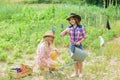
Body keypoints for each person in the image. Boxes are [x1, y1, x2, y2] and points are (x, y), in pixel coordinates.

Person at [60, 13, 86, 78]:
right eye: (70, 20)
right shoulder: (69, 28)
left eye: (72, 19)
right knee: (74, 60)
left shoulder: (81, 27)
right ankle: (76, 72)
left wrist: (80, 41)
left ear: (76, 19)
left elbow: (84, 37)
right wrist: (65, 31)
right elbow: (61, 35)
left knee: (79, 60)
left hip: (78, 46)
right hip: (72, 46)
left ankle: (81, 73)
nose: (71, 21)